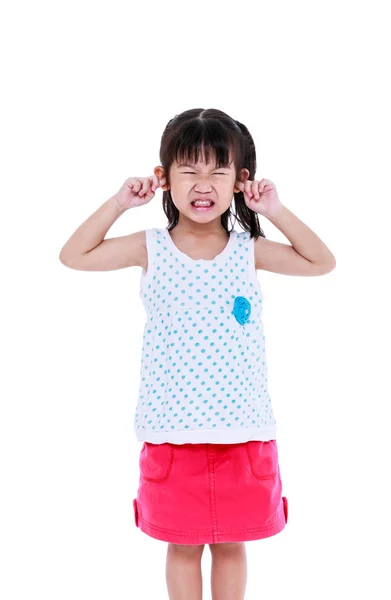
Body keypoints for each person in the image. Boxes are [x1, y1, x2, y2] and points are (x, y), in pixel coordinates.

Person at [59, 108, 336, 600]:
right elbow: (73, 255)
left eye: (217, 170)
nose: (202, 183)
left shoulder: (250, 249)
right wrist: (120, 202)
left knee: (232, 544)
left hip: (243, 431)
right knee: (182, 547)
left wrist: (274, 210)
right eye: (189, 170)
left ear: (240, 181)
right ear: (164, 178)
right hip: (171, 432)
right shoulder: (150, 247)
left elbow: (322, 262)